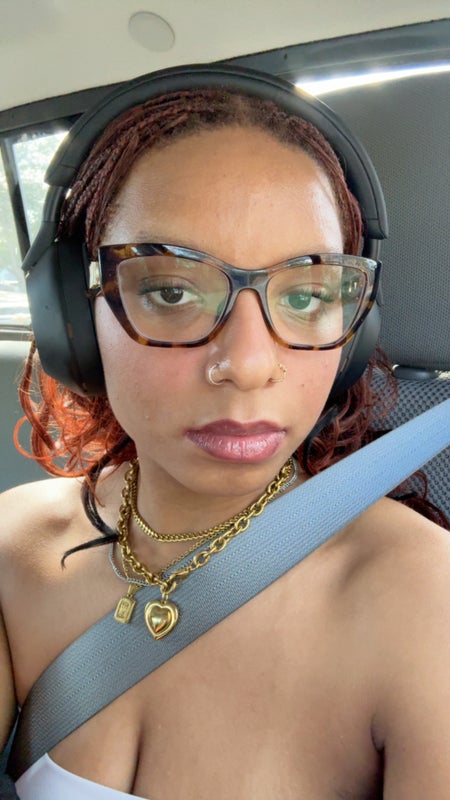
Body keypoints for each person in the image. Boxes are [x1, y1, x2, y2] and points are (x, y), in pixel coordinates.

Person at [0, 64, 449, 800]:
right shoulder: (12, 550)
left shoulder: (427, 598)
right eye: (172, 289)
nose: (245, 365)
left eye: (305, 294)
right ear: (72, 317)